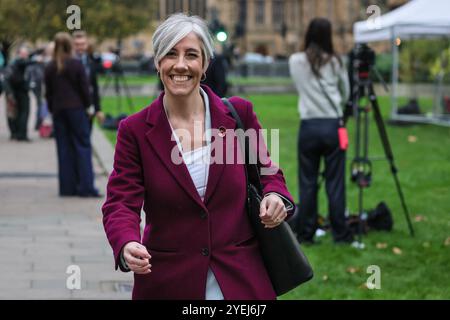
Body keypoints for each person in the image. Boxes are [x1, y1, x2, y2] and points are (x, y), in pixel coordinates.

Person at [102, 13, 295, 300]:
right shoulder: (135, 130)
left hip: (240, 281)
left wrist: (276, 197)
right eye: (170, 54)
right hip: (168, 282)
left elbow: (268, 173)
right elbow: (121, 202)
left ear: (204, 64)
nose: (180, 65)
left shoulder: (237, 114)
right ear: (157, 62)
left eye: (191, 55)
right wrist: (126, 242)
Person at [288, 18, 354, 244]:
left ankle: (306, 233)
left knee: (307, 183)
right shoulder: (336, 62)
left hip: (309, 126)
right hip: (332, 126)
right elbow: (346, 93)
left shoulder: (296, 61)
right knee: (335, 183)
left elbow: (299, 86)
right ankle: (340, 233)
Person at [44, 32, 100, 197]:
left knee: (64, 149)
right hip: (76, 110)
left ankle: (67, 188)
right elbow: (84, 89)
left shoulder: (50, 66)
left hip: (59, 111)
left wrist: (52, 109)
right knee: (82, 147)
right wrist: (90, 106)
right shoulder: (76, 65)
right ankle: (86, 187)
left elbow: (48, 93)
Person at [73, 30, 105, 130]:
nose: (80, 47)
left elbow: (94, 87)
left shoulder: (91, 63)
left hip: (88, 107)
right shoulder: (67, 62)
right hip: (72, 107)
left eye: (82, 44)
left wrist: (98, 109)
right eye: (77, 44)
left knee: (86, 138)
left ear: (86, 45)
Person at [6, 46, 32, 141]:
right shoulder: (19, 62)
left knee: (17, 113)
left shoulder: (13, 63)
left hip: (15, 91)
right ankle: (21, 134)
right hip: (21, 91)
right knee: (23, 112)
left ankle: (16, 133)